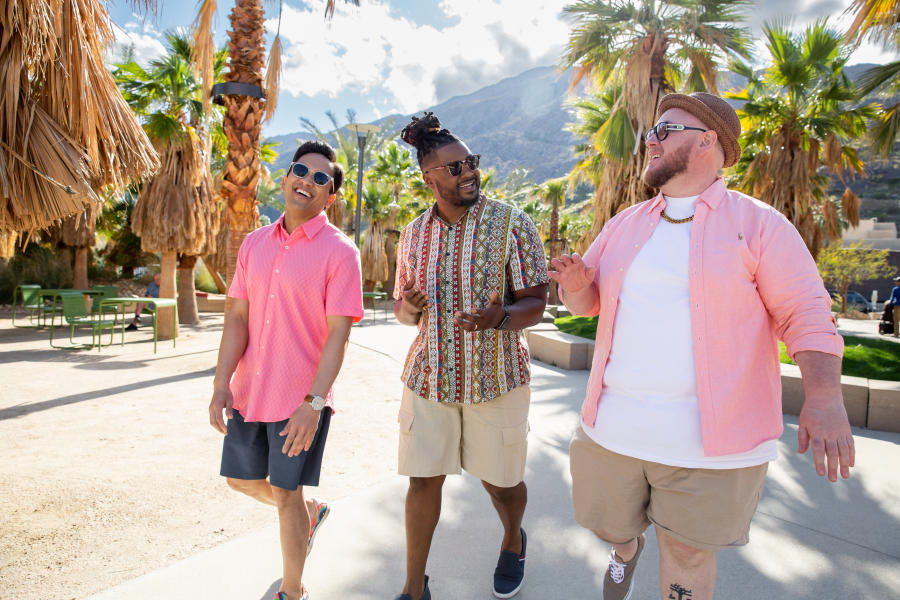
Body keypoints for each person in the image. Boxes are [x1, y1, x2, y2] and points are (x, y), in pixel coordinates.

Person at [550, 92, 855, 600]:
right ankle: (625, 550)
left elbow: (806, 312)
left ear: (708, 140)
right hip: (611, 431)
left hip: (712, 449)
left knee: (688, 553)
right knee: (611, 528)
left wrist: (825, 397)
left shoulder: (760, 225)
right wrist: (578, 285)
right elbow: (587, 305)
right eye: (651, 130)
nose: (650, 139)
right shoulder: (628, 223)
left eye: (664, 129)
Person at [392, 112, 549, 600]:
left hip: (495, 378)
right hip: (429, 379)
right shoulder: (414, 234)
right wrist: (408, 308)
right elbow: (402, 307)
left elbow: (536, 303)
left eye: (472, 163)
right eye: (455, 168)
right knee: (422, 483)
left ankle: (511, 538)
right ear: (430, 178)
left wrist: (499, 319)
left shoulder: (512, 223)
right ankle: (414, 589)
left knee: (501, 485)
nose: (468, 173)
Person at [208, 140, 364, 600]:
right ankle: (309, 516)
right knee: (242, 481)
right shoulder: (253, 243)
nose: (307, 181)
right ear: (285, 175)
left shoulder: (341, 252)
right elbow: (236, 318)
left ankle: (292, 591)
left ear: (330, 197)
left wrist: (313, 404)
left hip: (300, 400)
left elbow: (340, 334)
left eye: (321, 179)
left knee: (285, 494)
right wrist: (221, 385)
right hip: (250, 392)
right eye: (301, 170)